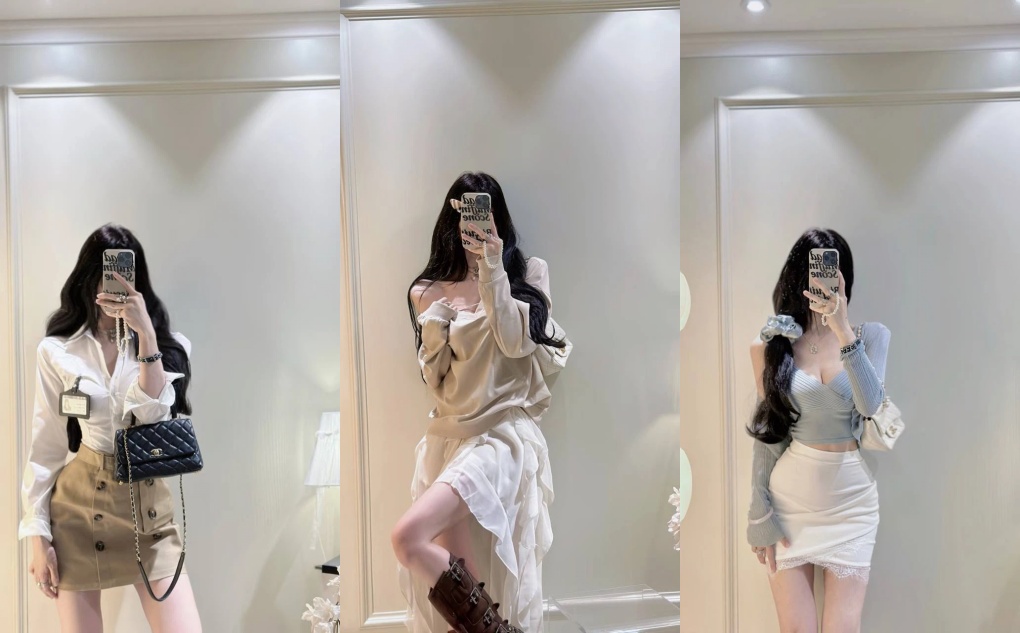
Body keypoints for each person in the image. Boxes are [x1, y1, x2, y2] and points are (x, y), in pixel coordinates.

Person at [392, 172, 570, 633]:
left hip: (501, 439)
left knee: (407, 537)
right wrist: (436, 321)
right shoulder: (427, 291)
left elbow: (514, 342)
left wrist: (492, 264)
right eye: (466, 212)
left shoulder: (528, 274)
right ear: (452, 219)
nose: (474, 222)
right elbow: (435, 379)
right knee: (464, 595)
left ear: (496, 216)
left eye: (484, 211)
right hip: (448, 440)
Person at [19, 224, 202, 632]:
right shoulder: (58, 350)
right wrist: (37, 536)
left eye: (124, 273)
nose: (114, 283)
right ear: (89, 278)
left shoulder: (170, 346)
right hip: (78, 513)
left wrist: (146, 336)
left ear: (137, 279)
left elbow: (153, 418)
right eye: (106, 273)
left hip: (151, 517)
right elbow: (46, 447)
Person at [747, 228, 890, 633]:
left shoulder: (871, 337)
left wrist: (843, 330)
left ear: (844, 277)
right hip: (789, 503)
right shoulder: (772, 345)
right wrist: (759, 511)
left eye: (833, 271)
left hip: (852, 505)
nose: (824, 280)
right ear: (799, 276)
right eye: (816, 270)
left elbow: (871, 406)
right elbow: (770, 434)